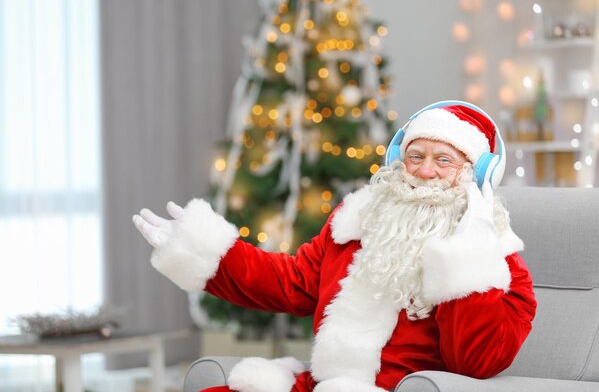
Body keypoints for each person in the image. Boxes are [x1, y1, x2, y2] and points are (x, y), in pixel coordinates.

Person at [133, 101, 536, 392]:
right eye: (415, 156)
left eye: (444, 161)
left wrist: (465, 254)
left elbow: (477, 363)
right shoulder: (356, 223)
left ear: (475, 174)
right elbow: (291, 282)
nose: (424, 171)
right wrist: (206, 250)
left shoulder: (499, 265)